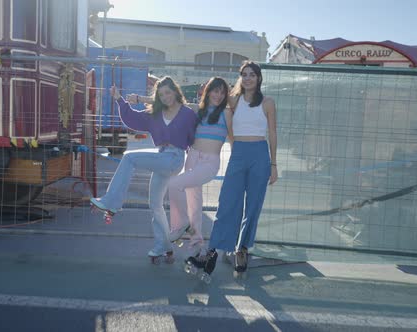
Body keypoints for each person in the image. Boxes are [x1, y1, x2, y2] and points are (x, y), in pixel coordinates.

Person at [90, 76, 197, 262]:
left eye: (168, 92)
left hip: (175, 158)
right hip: (161, 156)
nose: (165, 97)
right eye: (161, 94)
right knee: (155, 205)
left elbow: (197, 136)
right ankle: (163, 246)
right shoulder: (155, 114)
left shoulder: (187, 113)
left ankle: (111, 202)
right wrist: (118, 99)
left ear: (175, 92)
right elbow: (132, 119)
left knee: (129, 158)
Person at [187, 61, 278, 276]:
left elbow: (272, 134)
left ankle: (242, 249)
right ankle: (211, 252)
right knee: (227, 203)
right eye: (244, 74)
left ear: (259, 78)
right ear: (240, 78)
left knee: (253, 205)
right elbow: (210, 101)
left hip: (260, 154)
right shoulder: (233, 101)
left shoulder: (268, 103)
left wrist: (274, 164)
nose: (248, 78)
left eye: (252, 75)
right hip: (238, 154)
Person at [165, 77, 231, 256]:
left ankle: (180, 225)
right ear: (207, 91)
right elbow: (173, 103)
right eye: (215, 90)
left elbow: (233, 139)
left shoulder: (227, 113)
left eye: (222, 92)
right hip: (192, 157)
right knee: (194, 203)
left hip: (210, 162)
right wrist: (139, 100)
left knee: (174, 184)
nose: (218, 95)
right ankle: (196, 245)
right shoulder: (198, 110)